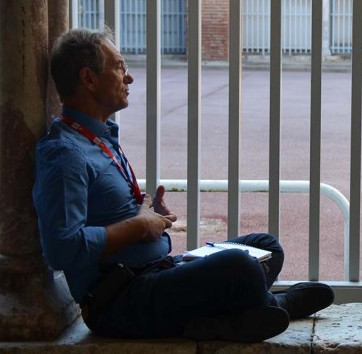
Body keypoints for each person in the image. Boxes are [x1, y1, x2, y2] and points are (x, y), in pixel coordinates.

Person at [32, 28, 334, 342]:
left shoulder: (99, 137)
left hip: (158, 271)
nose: (129, 78)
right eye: (119, 67)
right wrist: (138, 226)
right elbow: (61, 248)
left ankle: (235, 313)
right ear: (89, 79)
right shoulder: (64, 154)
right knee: (238, 266)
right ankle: (270, 305)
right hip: (120, 300)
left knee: (266, 247)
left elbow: (111, 219)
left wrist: (151, 217)